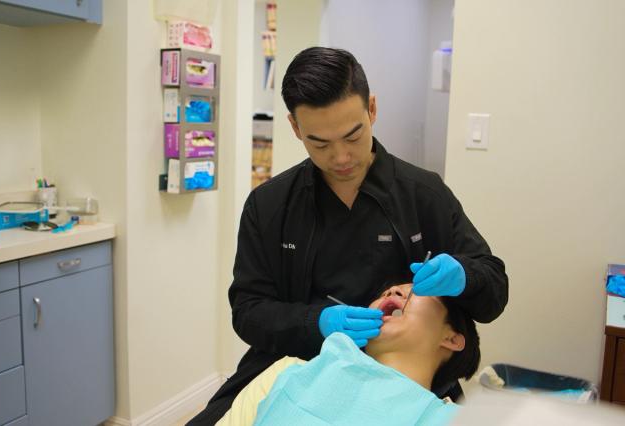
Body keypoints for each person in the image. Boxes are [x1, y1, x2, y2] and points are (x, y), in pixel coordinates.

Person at [187, 47, 508, 424]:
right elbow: (248, 312)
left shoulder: (423, 195)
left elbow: (493, 293)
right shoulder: (269, 206)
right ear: (295, 128)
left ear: (371, 109)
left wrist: (465, 276)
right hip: (298, 361)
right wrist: (316, 323)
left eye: (353, 136)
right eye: (319, 143)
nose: (340, 157)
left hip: (398, 381)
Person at [216, 283, 481, 425]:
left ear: (452, 338)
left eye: (415, 291)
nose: (393, 291)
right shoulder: (288, 372)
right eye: (386, 292)